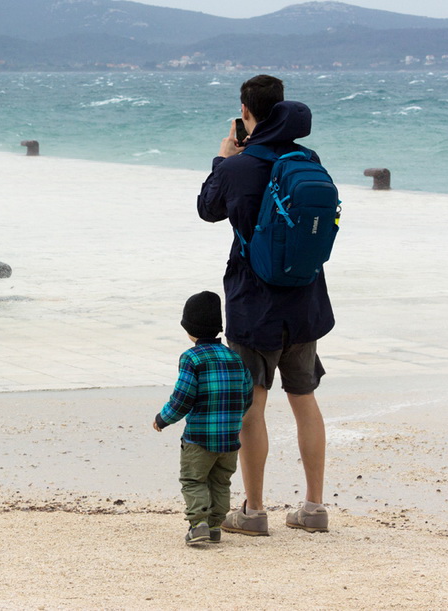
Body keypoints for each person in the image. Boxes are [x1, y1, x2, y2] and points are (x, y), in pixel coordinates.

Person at [196, 75, 334, 535]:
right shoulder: (305, 159)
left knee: (253, 406)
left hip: (254, 303)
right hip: (305, 299)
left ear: (245, 113)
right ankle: (314, 508)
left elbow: (207, 209)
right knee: (305, 399)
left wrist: (223, 157)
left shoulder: (239, 166)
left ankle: (253, 512)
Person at [152, 291, 254, 545]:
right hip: (230, 439)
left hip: (199, 438)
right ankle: (215, 526)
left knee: (193, 480)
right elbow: (247, 394)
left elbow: (182, 398)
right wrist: (233, 418)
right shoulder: (235, 358)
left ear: (189, 329)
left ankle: (198, 525)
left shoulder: (191, 358)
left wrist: (163, 419)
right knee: (220, 481)